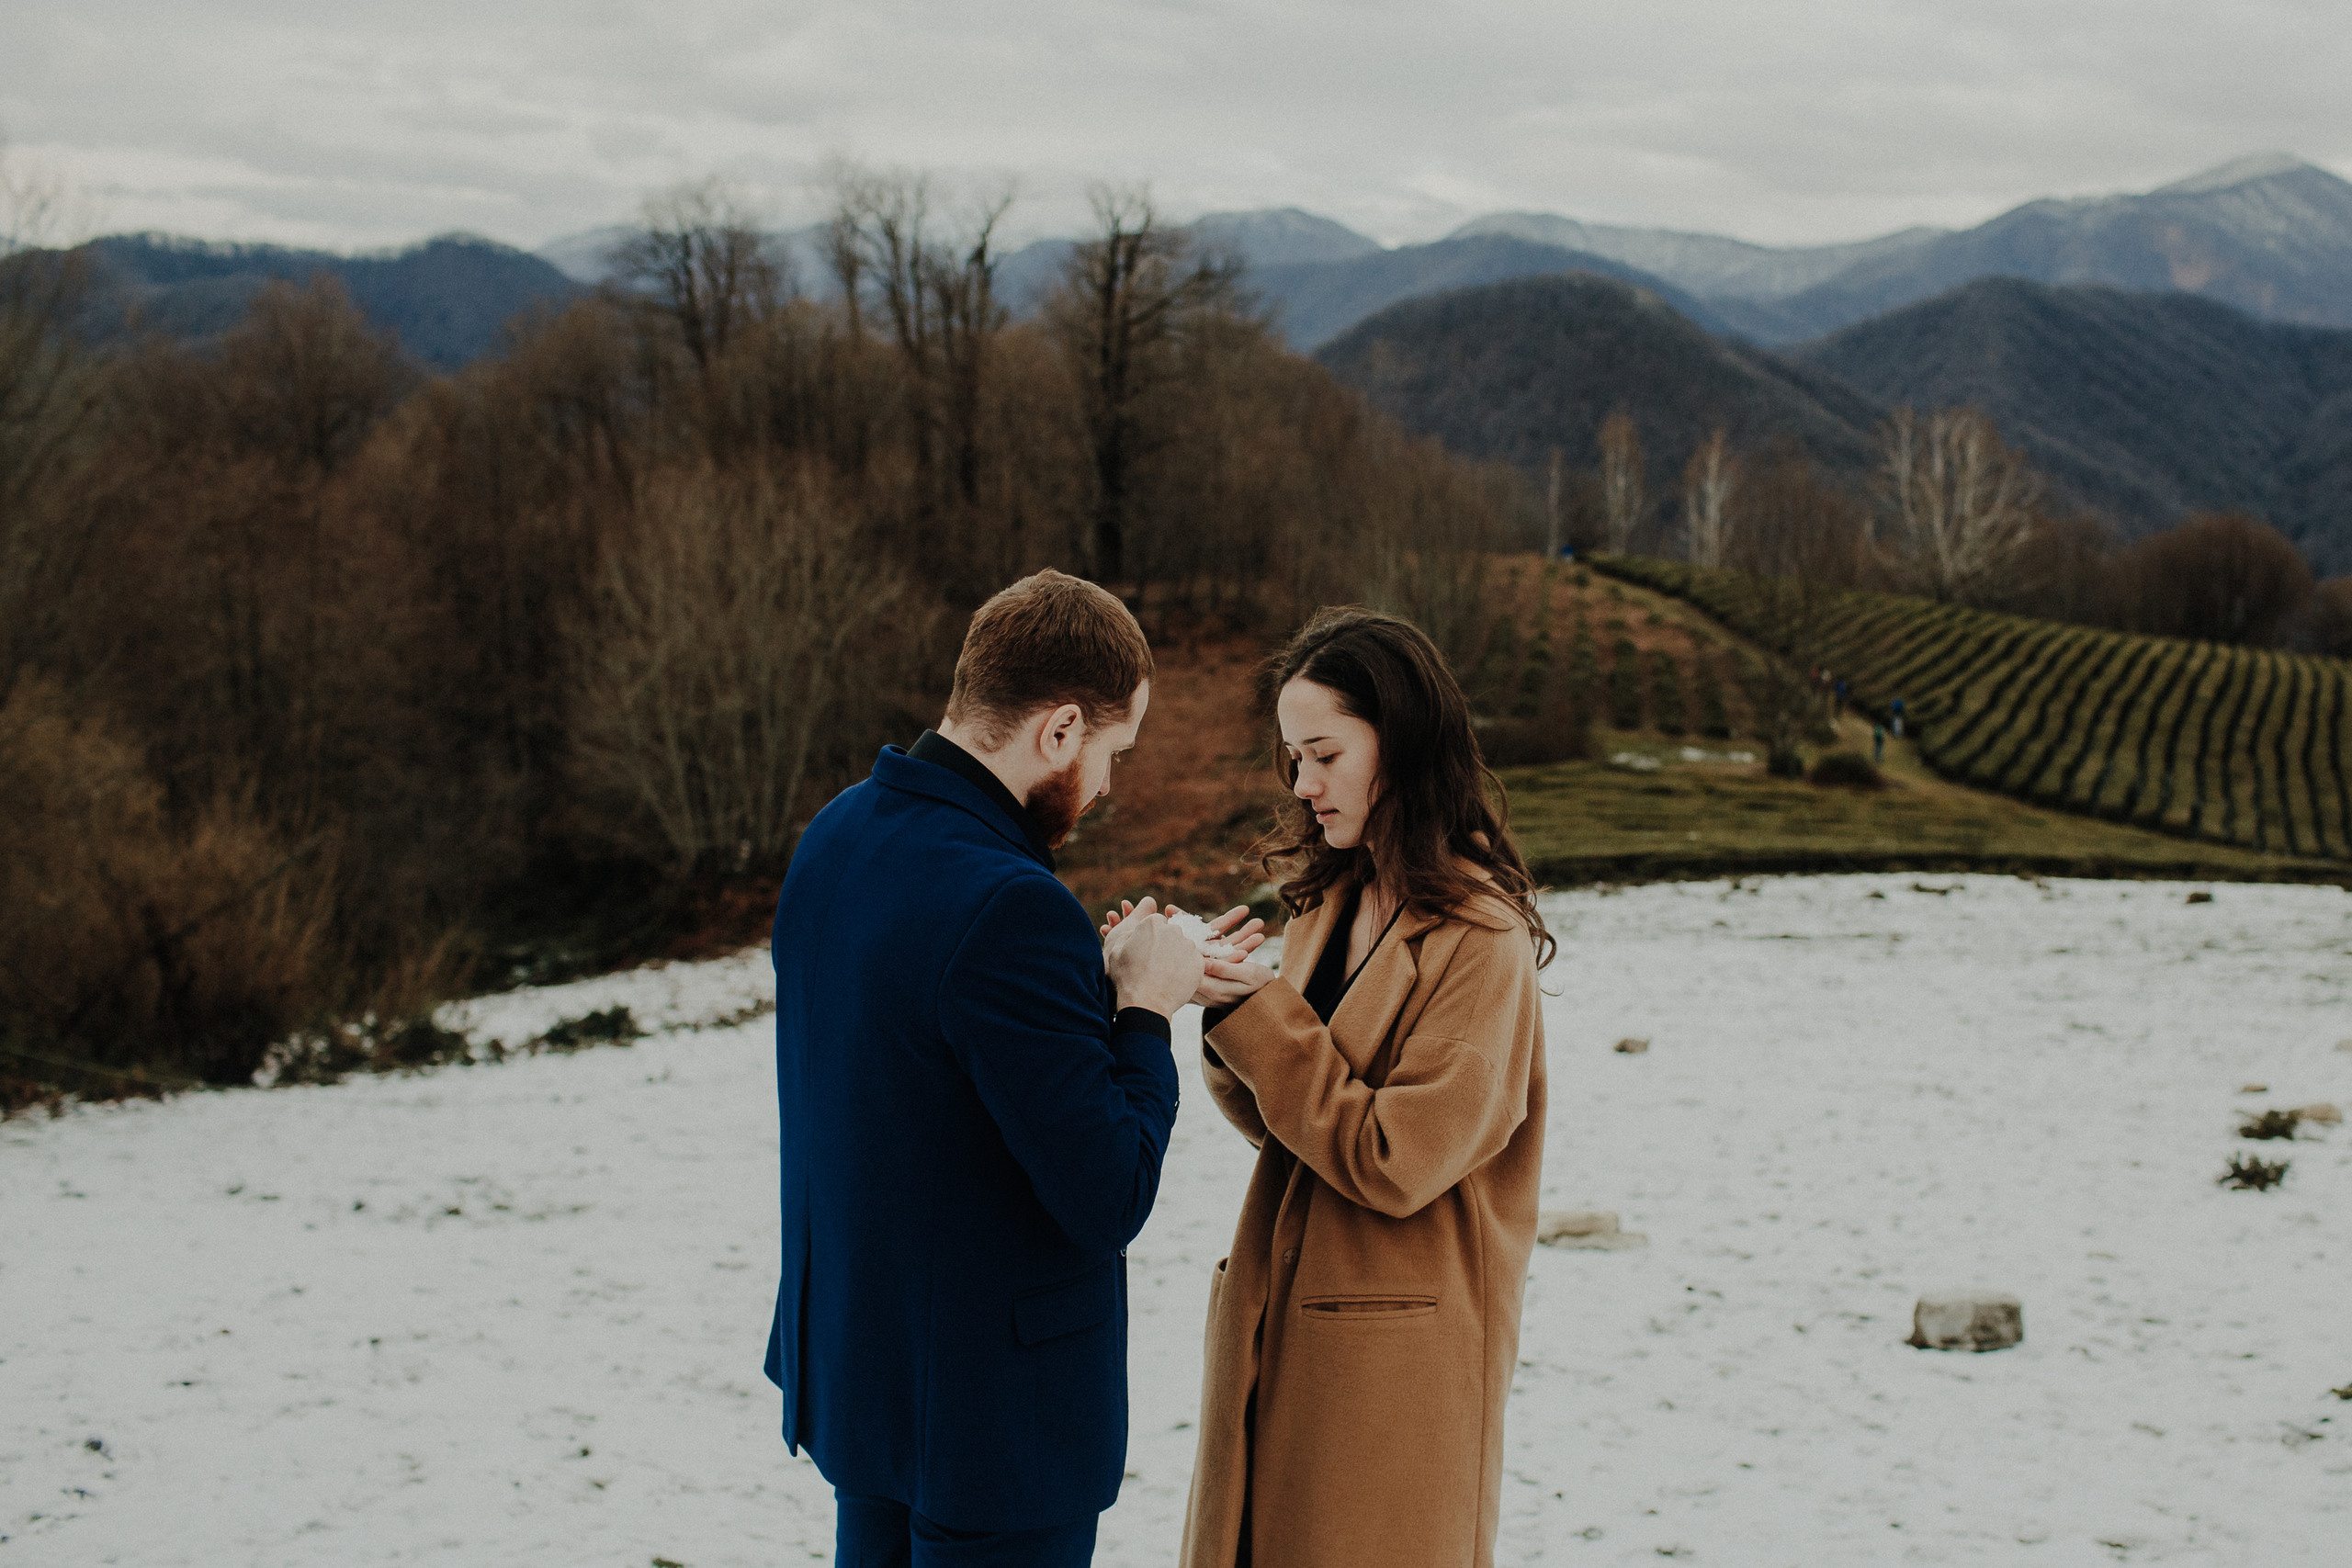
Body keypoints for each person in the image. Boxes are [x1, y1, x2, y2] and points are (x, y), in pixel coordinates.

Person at [764, 570, 1210, 1568]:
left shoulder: (837, 835)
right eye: (1112, 753)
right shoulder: (1011, 904)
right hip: (992, 1427)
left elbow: (930, 1074)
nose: (1107, 786)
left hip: (863, 1381)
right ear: (1060, 729)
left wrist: (1091, 987)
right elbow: (1107, 1192)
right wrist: (1143, 1012)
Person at [1158, 606, 1555, 1568]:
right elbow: (1294, 1122)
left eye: (1325, 755)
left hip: (1395, 1376)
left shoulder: (1482, 939)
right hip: (1281, 1322)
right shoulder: (1330, 899)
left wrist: (1260, 1014)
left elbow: (1394, 1156)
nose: (1304, 784)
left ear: (1402, 743)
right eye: (1294, 758)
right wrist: (1224, 1006)